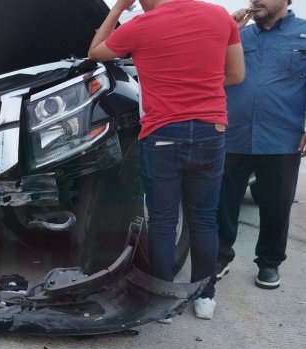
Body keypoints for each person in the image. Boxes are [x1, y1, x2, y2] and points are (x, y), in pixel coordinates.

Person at [88, 0, 245, 320]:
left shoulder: (140, 25)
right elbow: (236, 74)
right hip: (210, 131)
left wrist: (118, 8)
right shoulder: (219, 16)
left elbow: (95, 52)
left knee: (162, 221)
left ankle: (164, 303)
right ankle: (205, 298)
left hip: (162, 135)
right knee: (204, 219)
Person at [217, 0, 306, 290]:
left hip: (281, 135)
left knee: (276, 205)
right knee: (223, 202)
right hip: (232, 133)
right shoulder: (237, 34)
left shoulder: (303, 34)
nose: (256, 0)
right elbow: (210, 70)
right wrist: (227, 30)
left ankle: (269, 263)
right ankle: (219, 257)